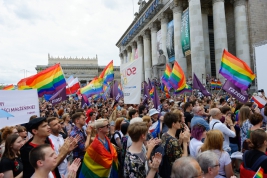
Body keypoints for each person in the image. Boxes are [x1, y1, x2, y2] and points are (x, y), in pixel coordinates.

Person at [160, 112, 190, 178]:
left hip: (166, 169)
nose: (180, 123)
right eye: (178, 121)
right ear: (173, 124)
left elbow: (172, 150)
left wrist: (180, 140)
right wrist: (185, 143)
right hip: (174, 171)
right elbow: (183, 159)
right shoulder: (173, 141)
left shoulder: (164, 135)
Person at [69, 112, 92, 176]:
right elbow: (84, 148)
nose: (85, 119)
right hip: (79, 161)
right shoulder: (75, 133)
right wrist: (89, 135)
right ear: (77, 121)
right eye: (83, 118)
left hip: (83, 159)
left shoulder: (81, 130)